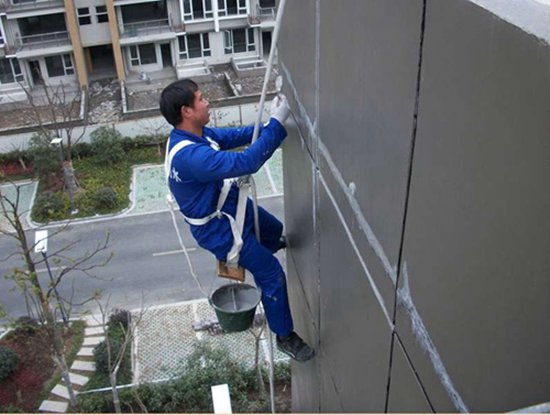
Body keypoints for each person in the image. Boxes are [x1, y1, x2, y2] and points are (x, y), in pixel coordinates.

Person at [159, 79, 315, 362]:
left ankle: (258, 254)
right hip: (219, 230)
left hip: (226, 205)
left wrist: (269, 126)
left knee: (273, 231)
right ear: (187, 111)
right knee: (272, 274)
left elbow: (236, 137)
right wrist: (277, 125)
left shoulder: (193, 136)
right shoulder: (192, 157)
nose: (207, 102)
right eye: (201, 99)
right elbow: (247, 163)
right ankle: (285, 336)